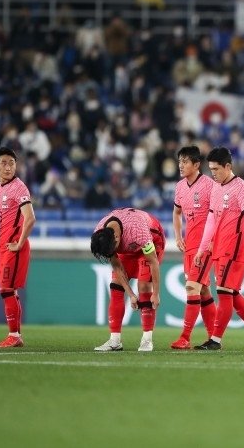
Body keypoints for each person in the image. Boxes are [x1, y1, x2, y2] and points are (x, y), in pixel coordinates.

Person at [193, 147, 244, 351]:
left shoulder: (241, 188)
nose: (213, 173)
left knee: (224, 292)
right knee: (232, 294)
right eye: (211, 169)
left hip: (234, 248)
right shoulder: (216, 187)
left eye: (216, 169)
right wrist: (202, 248)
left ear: (228, 166)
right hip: (219, 248)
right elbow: (211, 219)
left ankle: (215, 340)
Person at [90, 207, 166, 352]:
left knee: (144, 286)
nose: (111, 254)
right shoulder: (101, 235)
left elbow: (153, 262)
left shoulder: (138, 232)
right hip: (127, 246)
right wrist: (130, 294)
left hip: (152, 239)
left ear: (116, 238)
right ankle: (115, 340)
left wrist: (156, 293)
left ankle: (147, 340)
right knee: (115, 286)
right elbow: (117, 266)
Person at [170, 145, 217, 350]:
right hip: (189, 246)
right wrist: (178, 236)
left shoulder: (209, 185)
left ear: (196, 164)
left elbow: (218, 214)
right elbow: (176, 212)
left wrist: (213, 240)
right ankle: (214, 337)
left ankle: (185, 337)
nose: (181, 165)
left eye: (185, 162)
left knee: (191, 287)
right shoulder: (180, 187)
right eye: (179, 161)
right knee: (203, 291)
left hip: (204, 247)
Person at [0, 147, 36, 348]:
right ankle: (15, 336)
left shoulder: (19, 188)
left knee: (6, 289)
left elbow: (30, 218)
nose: (8, 167)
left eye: (11, 163)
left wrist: (20, 243)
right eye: (4, 163)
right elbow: (3, 221)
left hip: (15, 246)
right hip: (5, 246)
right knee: (9, 291)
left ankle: (14, 335)